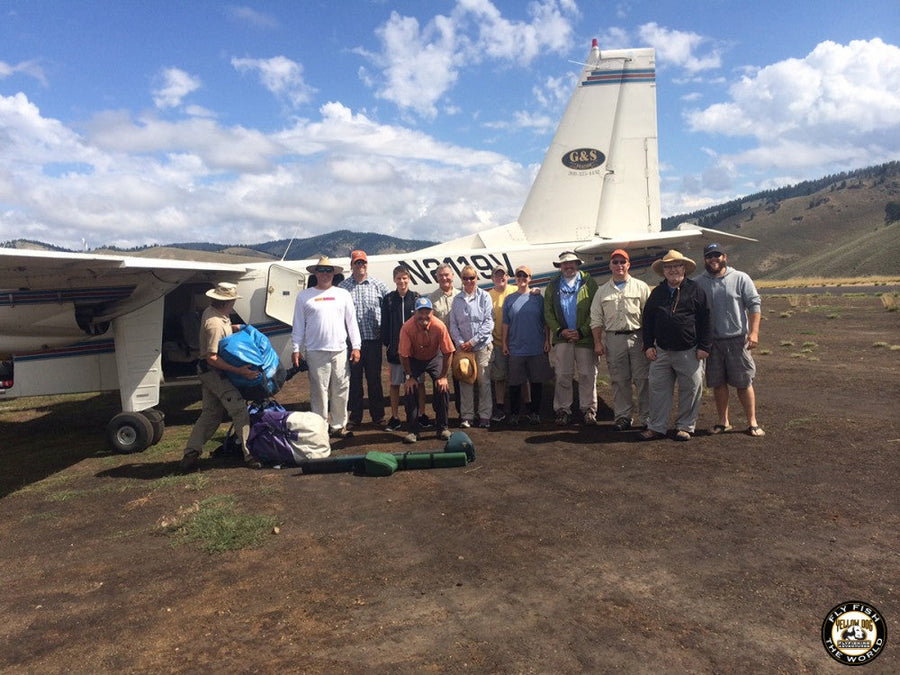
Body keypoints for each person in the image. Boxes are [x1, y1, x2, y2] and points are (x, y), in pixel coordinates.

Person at [179, 282, 261, 472]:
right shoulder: (214, 324)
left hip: (207, 371)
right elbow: (212, 357)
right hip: (214, 372)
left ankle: (190, 454)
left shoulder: (213, 313)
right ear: (227, 302)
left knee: (211, 413)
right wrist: (240, 371)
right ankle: (250, 454)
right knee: (239, 409)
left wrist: (235, 327)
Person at [639, 250, 711, 442]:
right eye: (668, 267)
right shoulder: (657, 293)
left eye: (676, 266)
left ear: (684, 268)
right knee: (658, 391)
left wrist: (704, 346)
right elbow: (648, 320)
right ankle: (656, 427)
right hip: (661, 351)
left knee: (691, 389)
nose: (672, 270)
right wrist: (648, 345)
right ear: (663, 271)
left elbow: (706, 319)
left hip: (689, 351)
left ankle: (685, 426)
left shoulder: (696, 290)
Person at [694, 243, 765, 437]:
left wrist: (754, 333)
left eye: (717, 255)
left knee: (744, 382)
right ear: (705, 260)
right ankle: (723, 422)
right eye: (709, 256)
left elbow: (754, 305)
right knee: (718, 384)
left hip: (737, 340)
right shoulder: (698, 283)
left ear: (724, 256)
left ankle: (752, 422)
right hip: (712, 342)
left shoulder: (740, 278)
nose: (713, 259)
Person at [291, 256, 361, 439]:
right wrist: (296, 348)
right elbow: (298, 325)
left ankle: (338, 425)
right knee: (318, 391)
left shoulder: (343, 294)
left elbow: (351, 323)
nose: (325, 274)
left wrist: (356, 346)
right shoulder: (304, 296)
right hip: (315, 350)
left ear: (333, 273)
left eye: (328, 271)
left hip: (339, 349)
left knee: (340, 389)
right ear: (315, 273)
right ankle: (320, 427)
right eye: (321, 271)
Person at [590, 249, 651, 431]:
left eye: (622, 262)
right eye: (615, 262)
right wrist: (598, 342)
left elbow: (649, 316)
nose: (619, 266)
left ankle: (647, 417)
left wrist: (648, 342)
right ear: (610, 265)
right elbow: (595, 318)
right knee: (619, 379)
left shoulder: (641, 287)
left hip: (637, 337)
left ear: (628, 264)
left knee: (643, 379)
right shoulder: (602, 291)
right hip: (614, 338)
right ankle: (623, 417)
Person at [544, 251, 599, 425]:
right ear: (560, 266)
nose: (568, 266)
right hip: (563, 338)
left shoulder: (589, 282)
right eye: (565, 264)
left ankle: (589, 409)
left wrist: (582, 331)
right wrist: (560, 330)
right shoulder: (553, 285)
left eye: (572, 263)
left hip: (584, 338)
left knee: (587, 374)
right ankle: (562, 409)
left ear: (578, 264)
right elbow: (548, 312)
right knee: (562, 375)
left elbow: (595, 310)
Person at [339, 250, 388, 428]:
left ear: (367, 264)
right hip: (352, 344)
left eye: (363, 262)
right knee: (354, 380)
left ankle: (379, 416)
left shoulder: (379, 286)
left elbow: (388, 310)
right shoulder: (343, 288)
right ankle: (355, 416)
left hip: (373, 341)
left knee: (375, 379)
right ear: (351, 265)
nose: (360, 266)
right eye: (357, 263)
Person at [397, 296, 454, 444]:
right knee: (410, 389)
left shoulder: (439, 326)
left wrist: (443, 376)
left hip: (434, 357)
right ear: (414, 313)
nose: (424, 316)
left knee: (443, 388)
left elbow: (448, 352)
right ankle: (413, 431)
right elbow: (403, 355)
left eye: (427, 312)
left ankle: (442, 427)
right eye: (420, 312)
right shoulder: (407, 327)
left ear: (432, 312)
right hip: (414, 359)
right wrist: (409, 376)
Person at [502, 266, 553, 425]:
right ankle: (515, 414)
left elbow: (545, 322)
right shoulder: (509, 299)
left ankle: (535, 413)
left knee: (537, 382)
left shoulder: (538, 298)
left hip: (536, 347)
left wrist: (546, 340)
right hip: (516, 347)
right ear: (515, 278)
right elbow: (505, 323)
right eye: (519, 276)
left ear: (530, 278)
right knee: (515, 383)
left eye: (525, 276)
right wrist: (504, 343)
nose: (522, 278)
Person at [380, 265, 426, 432]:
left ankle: (421, 414)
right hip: (395, 351)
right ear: (394, 280)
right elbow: (384, 324)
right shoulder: (389, 299)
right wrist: (389, 344)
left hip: (415, 352)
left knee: (419, 383)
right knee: (395, 384)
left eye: (405, 278)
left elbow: (422, 322)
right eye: (399, 278)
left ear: (409, 279)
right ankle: (395, 417)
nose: (402, 281)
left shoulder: (416, 298)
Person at [449, 265, 494, 428]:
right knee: (465, 380)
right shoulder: (457, 299)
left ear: (477, 278)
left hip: (481, 345)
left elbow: (488, 322)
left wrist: (473, 342)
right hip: (464, 348)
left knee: (483, 381)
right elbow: (453, 324)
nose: (469, 281)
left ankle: (484, 415)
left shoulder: (485, 296)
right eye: (465, 278)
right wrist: (461, 343)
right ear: (461, 279)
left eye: (472, 278)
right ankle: (467, 415)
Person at [430, 263, 461, 416]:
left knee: (461, 377)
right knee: (440, 379)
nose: (444, 278)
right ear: (437, 278)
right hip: (440, 346)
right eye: (441, 275)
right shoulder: (432, 298)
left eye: (447, 274)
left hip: (459, 343)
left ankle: (464, 413)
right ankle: (441, 414)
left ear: (453, 276)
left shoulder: (461, 295)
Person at [487, 265, 517, 423]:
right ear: (492, 278)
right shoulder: (487, 296)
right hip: (498, 341)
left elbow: (528, 294)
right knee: (499, 377)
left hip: (517, 342)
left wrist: (535, 291)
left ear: (508, 277)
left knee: (520, 376)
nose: (500, 278)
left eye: (503, 275)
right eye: (497, 275)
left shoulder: (515, 290)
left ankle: (524, 405)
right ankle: (499, 406)